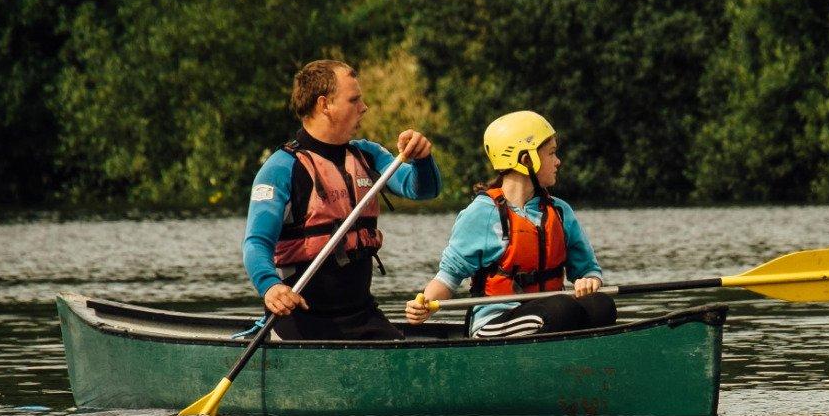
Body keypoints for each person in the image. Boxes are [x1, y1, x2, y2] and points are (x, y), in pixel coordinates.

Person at [243, 59, 439, 341]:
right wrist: (271, 287)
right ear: (325, 105)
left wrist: (422, 160)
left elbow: (421, 190)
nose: (364, 107)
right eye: (354, 100)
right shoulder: (281, 168)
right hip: (301, 318)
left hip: (361, 314)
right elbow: (256, 243)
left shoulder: (367, 155)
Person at [403, 110, 616, 338]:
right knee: (561, 308)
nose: (558, 161)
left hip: (553, 315)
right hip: (494, 324)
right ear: (526, 160)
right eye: (551, 154)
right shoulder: (481, 214)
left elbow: (588, 271)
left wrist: (590, 282)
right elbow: (447, 278)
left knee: (601, 306)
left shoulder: (561, 212)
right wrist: (423, 304)